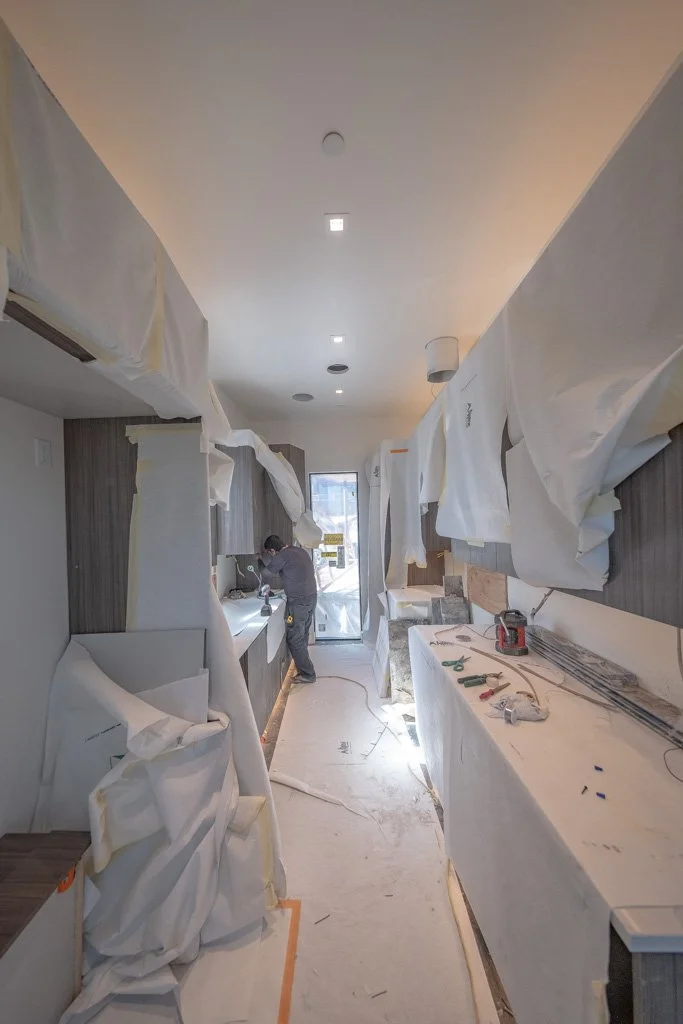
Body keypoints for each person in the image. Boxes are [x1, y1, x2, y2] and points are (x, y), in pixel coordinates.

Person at [260, 535, 318, 683]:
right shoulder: (298, 551)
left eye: (269, 553)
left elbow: (266, 573)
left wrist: (259, 560)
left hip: (298, 602)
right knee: (302, 634)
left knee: (294, 637)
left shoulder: (283, 555)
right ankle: (304, 668)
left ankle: (307, 673)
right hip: (311, 598)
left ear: (273, 550)